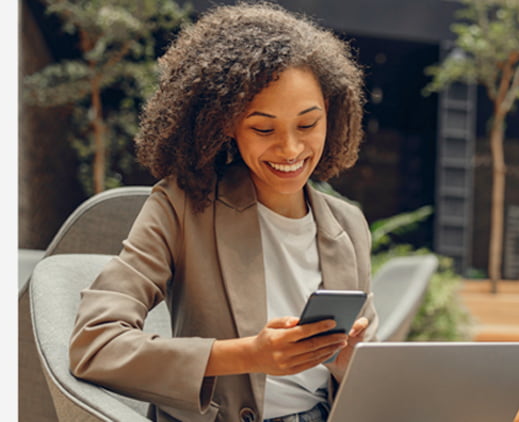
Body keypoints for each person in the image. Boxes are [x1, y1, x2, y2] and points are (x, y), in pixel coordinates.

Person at [68, 3, 378, 422]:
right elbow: (95, 345)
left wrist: (350, 367)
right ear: (226, 123)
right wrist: (246, 354)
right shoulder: (181, 207)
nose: (290, 149)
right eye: (263, 129)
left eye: (307, 125)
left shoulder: (348, 225)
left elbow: (356, 380)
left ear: (332, 112)